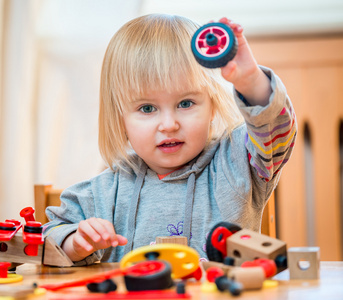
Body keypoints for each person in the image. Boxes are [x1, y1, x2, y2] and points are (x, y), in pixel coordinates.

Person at [44, 14, 297, 265]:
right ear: (121, 119)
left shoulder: (237, 163)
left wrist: (251, 81)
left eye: (185, 103)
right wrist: (75, 243)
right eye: (147, 108)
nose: (169, 125)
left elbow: (275, 130)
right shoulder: (102, 192)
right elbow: (48, 236)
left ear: (212, 106)